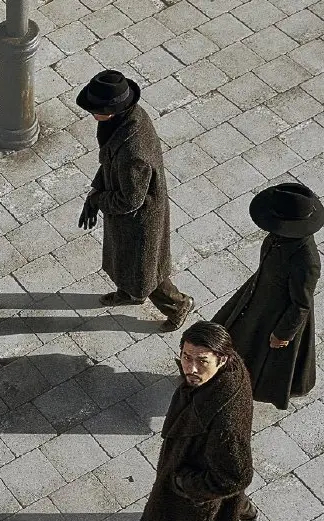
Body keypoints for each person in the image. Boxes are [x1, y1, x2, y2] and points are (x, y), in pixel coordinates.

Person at [76, 70, 193, 332]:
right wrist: (97, 190)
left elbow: (130, 201)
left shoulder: (133, 151)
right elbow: (109, 163)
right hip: (126, 216)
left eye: (96, 109)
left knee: (146, 271)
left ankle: (177, 304)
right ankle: (129, 293)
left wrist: (98, 199)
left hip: (140, 220)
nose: (92, 114)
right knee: (125, 261)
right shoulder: (124, 119)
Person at [141, 321, 256, 521]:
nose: (191, 368)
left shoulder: (226, 423)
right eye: (186, 357)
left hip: (195, 481)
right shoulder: (229, 368)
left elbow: (236, 477)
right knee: (228, 500)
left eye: (202, 361)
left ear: (222, 359)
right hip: (204, 461)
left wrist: (184, 484)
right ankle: (243, 508)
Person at [213, 182, 324, 410]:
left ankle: (237, 388)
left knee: (257, 357)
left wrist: (282, 334)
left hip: (274, 315)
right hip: (257, 297)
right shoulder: (278, 238)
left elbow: (301, 305)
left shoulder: (306, 261)